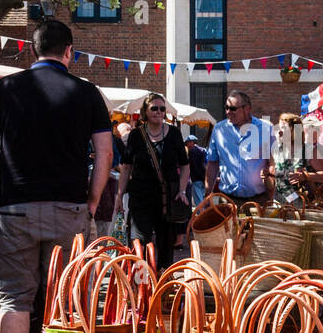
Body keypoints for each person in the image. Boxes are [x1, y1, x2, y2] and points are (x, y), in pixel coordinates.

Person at [0, 19, 113, 333]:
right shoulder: (87, 93)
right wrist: (93, 201)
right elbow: (104, 153)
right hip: (69, 208)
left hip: (14, 207)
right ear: (69, 52)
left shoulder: (6, 89)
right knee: (64, 299)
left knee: (15, 298)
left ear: (32, 51)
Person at [113, 94, 189, 271]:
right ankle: (141, 285)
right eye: (154, 108)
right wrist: (119, 196)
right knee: (140, 243)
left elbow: (185, 166)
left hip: (166, 199)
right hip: (141, 198)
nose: (159, 112)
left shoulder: (175, 134)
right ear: (145, 112)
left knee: (166, 244)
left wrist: (182, 191)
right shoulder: (136, 136)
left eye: (162, 109)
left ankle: (163, 283)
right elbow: (126, 168)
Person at [205, 91, 274, 207]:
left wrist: (271, 192)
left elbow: (272, 163)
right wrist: (207, 195)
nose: (228, 112)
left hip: (258, 201)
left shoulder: (266, 129)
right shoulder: (219, 130)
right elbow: (212, 164)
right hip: (227, 201)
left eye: (232, 108)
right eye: (226, 108)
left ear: (247, 109)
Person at [186, 134, 207, 207]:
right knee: (204, 199)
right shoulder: (203, 150)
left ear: (192, 142)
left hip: (196, 179)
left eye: (187, 143)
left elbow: (193, 166)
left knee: (198, 200)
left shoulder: (192, 151)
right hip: (204, 179)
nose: (187, 145)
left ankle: (201, 216)